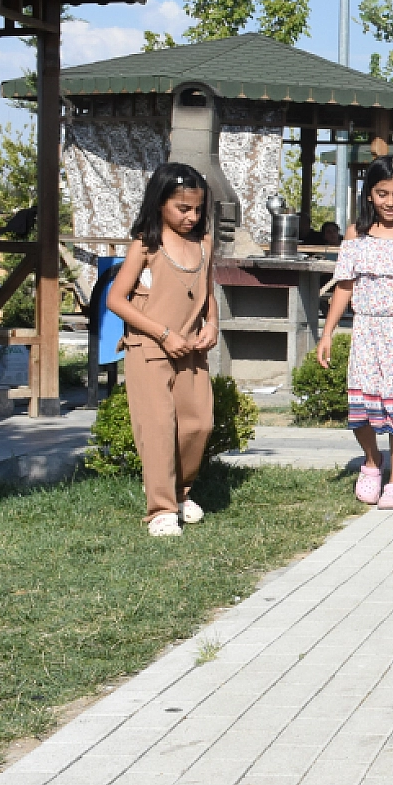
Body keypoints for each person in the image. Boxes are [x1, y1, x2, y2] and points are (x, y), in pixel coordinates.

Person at [105, 163, 219, 537]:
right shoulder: (145, 245)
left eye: (197, 209)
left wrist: (212, 324)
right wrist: (163, 333)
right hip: (148, 348)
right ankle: (160, 509)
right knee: (156, 428)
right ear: (159, 204)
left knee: (198, 425)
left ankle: (181, 493)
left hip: (191, 351)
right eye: (182, 209)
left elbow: (208, 290)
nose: (191, 217)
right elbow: (116, 300)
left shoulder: (204, 244)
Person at [316, 155, 393, 510]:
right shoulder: (356, 235)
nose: (390, 202)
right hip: (365, 330)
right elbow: (344, 287)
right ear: (369, 195)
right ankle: (371, 461)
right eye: (382, 193)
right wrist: (328, 332)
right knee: (361, 408)